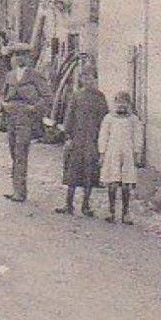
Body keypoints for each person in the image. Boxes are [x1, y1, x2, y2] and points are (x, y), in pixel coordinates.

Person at [56, 67, 111, 216]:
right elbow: (69, 117)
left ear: (96, 80)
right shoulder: (76, 96)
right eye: (84, 78)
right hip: (77, 139)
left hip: (93, 140)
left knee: (90, 173)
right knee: (72, 172)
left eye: (91, 78)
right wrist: (68, 136)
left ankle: (86, 205)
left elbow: (105, 121)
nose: (88, 81)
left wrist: (103, 141)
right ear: (81, 80)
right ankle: (68, 204)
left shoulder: (100, 98)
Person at [0, 44, 50, 203]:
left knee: (21, 152)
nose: (18, 58)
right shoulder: (9, 76)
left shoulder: (35, 75)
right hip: (11, 118)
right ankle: (16, 188)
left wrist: (34, 108)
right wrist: (3, 105)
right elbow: (2, 94)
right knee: (13, 152)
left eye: (22, 55)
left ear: (28, 58)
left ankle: (20, 193)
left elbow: (47, 96)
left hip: (26, 119)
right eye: (15, 55)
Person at [98, 91, 145, 224]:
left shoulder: (133, 119)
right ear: (115, 103)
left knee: (126, 184)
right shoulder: (108, 118)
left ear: (129, 104)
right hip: (112, 153)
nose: (121, 105)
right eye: (119, 102)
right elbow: (103, 136)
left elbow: (138, 137)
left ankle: (125, 213)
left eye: (124, 102)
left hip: (128, 153)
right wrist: (102, 153)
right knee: (112, 182)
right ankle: (111, 211)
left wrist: (137, 153)